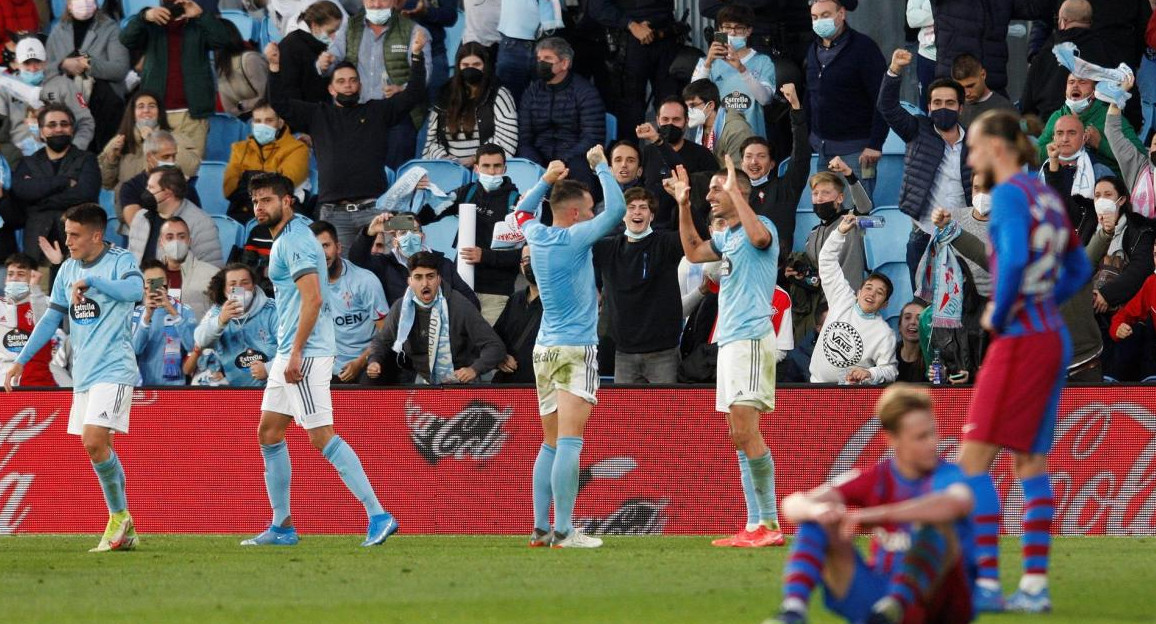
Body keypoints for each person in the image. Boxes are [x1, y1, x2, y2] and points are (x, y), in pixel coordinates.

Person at [958, 109, 1092, 613]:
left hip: (1019, 339)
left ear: (997, 147)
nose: (971, 156)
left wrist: (1004, 305)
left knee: (971, 465)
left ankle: (987, 585)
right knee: (1029, 462)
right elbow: (1079, 265)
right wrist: (1043, 299)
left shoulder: (1013, 193)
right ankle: (1033, 586)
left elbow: (1011, 259)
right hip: (1051, 336)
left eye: (974, 147)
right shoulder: (1046, 195)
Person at [241, 172, 398, 548]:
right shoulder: (290, 236)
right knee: (269, 433)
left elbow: (313, 299)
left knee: (321, 436)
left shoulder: (294, 242)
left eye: (267, 200)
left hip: (305, 353)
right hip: (289, 350)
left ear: (287, 201)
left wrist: (295, 352)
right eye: (256, 201)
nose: (260, 207)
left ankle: (378, 514)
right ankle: (282, 526)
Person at [765, 384, 975, 624]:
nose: (932, 443)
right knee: (816, 521)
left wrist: (871, 516)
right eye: (921, 437)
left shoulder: (948, 474)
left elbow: (955, 504)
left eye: (933, 433)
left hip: (936, 605)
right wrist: (817, 510)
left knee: (936, 525)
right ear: (891, 439)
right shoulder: (875, 477)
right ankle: (793, 611)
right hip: (877, 598)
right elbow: (792, 504)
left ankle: (896, 605)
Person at [4, 203, 144, 552]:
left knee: (95, 440)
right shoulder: (66, 270)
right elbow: (51, 319)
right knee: (98, 447)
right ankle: (123, 521)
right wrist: (21, 360)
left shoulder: (121, 261)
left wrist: (94, 280)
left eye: (74, 235)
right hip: (83, 373)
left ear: (96, 235)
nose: (67, 241)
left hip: (114, 367)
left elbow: (134, 293)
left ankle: (119, 518)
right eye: (66, 234)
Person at [513, 145, 626, 548]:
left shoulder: (538, 234)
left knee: (550, 441)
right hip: (575, 348)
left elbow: (520, 213)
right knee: (571, 441)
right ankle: (564, 529)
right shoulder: (575, 238)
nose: (594, 214)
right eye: (589, 209)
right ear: (576, 213)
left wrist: (544, 180)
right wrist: (601, 168)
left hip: (543, 350)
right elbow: (617, 212)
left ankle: (540, 527)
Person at [669, 155, 783, 548]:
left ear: (739, 192)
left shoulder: (761, 226)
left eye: (716, 189)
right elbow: (693, 251)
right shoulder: (729, 238)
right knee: (737, 434)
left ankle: (769, 522)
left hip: (751, 339)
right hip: (731, 341)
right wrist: (683, 206)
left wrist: (736, 190)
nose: (709, 196)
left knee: (746, 432)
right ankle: (754, 525)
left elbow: (762, 241)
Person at [265, 29, 427, 252]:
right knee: (339, 276)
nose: (348, 85)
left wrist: (417, 55)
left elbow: (414, 94)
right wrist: (274, 68)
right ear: (331, 89)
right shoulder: (317, 114)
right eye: (341, 81)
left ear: (360, 86)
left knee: (386, 266)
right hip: (333, 214)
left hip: (375, 210)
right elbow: (280, 104)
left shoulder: (377, 111)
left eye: (353, 80)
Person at [882, 49, 973, 286]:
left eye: (950, 103)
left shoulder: (975, 141)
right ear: (930, 107)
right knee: (922, 304)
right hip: (923, 235)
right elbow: (887, 107)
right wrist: (895, 70)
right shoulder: (917, 129)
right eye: (937, 103)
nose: (944, 107)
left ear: (961, 108)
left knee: (964, 304)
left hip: (964, 236)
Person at [417, 143, 522, 323]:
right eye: (486, 166)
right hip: (462, 287)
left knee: (488, 344)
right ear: (476, 168)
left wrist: (485, 256)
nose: (492, 172)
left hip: (496, 292)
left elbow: (523, 255)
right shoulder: (466, 193)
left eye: (497, 166)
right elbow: (424, 217)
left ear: (505, 168)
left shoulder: (517, 203)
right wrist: (418, 194)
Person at [367, 250, 505, 385]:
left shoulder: (460, 305)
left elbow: (495, 346)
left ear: (439, 279)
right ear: (409, 281)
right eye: (418, 277)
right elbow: (381, 341)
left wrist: (475, 369)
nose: (425, 284)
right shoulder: (401, 307)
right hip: (424, 378)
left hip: (462, 378)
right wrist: (374, 360)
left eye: (430, 276)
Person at [119, 0, 234, 160]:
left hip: (192, 114)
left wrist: (201, 15)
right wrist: (144, 16)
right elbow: (126, 39)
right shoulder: (152, 23)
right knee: (155, 170)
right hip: (157, 114)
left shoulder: (198, 22)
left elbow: (223, 40)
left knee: (191, 169)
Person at [325, 0, 434, 169]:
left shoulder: (414, 31)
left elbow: (423, 74)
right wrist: (324, 63)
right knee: (358, 171)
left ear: (394, 2)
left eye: (382, 0)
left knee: (396, 172)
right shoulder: (350, 28)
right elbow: (331, 60)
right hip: (356, 113)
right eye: (370, 0)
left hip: (396, 115)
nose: (376, 5)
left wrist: (402, 88)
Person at [594, 187, 684, 383]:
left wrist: (683, 203)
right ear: (622, 215)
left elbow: (697, 236)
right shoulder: (607, 248)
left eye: (643, 207)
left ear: (651, 215)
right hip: (623, 354)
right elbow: (573, 253)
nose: (637, 212)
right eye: (631, 207)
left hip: (663, 354)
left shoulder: (666, 243)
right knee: (626, 414)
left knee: (666, 413)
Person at [805, 0, 887, 198]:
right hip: (822, 150)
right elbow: (811, 95)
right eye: (815, 17)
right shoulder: (813, 49)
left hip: (856, 152)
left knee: (856, 216)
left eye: (825, 15)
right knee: (827, 215)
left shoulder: (864, 48)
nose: (819, 22)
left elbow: (883, 99)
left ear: (841, 14)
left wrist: (875, 143)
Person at [810, 214, 898, 385]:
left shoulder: (884, 333)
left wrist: (870, 373)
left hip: (852, 396)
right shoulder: (842, 298)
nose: (871, 294)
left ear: (885, 304)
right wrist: (840, 232)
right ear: (858, 292)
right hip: (816, 387)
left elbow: (890, 370)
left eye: (879, 293)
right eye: (868, 288)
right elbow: (826, 261)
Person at [11, 104, 100, 266]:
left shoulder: (87, 159)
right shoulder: (28, 162)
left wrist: (40, 200)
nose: (58, 129)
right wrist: (64, 182)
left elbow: (85, 193)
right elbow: (21, 190)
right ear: (42, 132)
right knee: (39, 290)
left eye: (64, 124)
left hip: (79, 247)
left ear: (72, 129)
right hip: (37, 248)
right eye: (52, 125)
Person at [517, 37, 606, 190]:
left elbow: (592, 137)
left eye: (547, 58)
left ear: (564, 63)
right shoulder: (532, 92)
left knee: (581, 168)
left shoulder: (585, 92)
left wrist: (562, 162)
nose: (541, 63)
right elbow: (524, 137)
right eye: (539, 59)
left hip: (574, 158)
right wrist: (535, 163)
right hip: (539, 158)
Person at [98, 92, 201, 223]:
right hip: (129, 221)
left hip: (171, 221)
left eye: (152, 106)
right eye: (140, 106)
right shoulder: (120, 142)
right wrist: (111, 158)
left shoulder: (176, 138)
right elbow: (106, 183)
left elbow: (191, 167)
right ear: (132, 113)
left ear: (159, 112)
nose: (146, 110)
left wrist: (157, 141)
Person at [44, 0, 131, 153]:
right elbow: (46, 70)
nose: (83, 3)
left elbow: (120, 69)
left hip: (104, 102)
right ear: (69, 5)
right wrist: (63, 64)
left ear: (96, 3)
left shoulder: (110, 29)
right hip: (68, 100)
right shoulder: (58, 31)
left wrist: (88, 64)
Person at [586, 0, 681, 138]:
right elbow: (597, 7)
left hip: (665, 36)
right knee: (629, 111)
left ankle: (671, 156)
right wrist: (631, 24)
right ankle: (630, 156)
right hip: (627, 42)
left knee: (670, 103)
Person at [311, 220, 388, 384]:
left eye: (326, 246)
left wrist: (360, 362)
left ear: (338, 247)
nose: (321, 254)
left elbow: (386, 333)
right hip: (330, 366)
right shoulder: (308, 286)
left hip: (368, 361)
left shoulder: (365, 281)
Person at [741, 83, 809, 258]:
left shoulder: (785, 188)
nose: (754, 161)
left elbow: (801, 155)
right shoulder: (734, 193)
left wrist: (796, 108)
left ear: (772, 164)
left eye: (761, 156)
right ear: (741, 163)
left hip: (776, 268)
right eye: (748, 157)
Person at [350, 216, 479, 307]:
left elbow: (471, 302)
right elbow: (357, 260)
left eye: (414, 230)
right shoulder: (385, 264)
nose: (409, 236)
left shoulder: (443, 264)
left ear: (422, 237)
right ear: (395, 241)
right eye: (403, 232)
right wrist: (370, 232)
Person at [1021, 0, 1115, 124]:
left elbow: (1026, 107)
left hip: (1049, 129)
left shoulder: (1044, 55)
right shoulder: (1105, 53)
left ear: (1063, 22)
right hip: (1094, 130)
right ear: (1090, 22)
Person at [422, 43, 518, 164]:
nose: (470, 69)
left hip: (486, 169)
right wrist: (442, 158)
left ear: (485, 66)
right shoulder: (445, 95)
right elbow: (431, 140)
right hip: (450, 169)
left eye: (476, 64)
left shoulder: (499, 94)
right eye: (465, 65)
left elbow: (507, 139)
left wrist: (475, 159)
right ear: (458, 67)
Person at [690, 5, 775, 138]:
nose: (732, 33)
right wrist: (708, 64)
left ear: (748, 31)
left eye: (738, 28)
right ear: (720, 30)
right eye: (727, 27)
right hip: (715, 139)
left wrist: (742, 69)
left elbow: (765, 99)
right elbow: (693, 98)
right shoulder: (705, 62)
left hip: (751, 140)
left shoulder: (763, 61)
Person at [1037, 74, 1144, 178]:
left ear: (1094, 92)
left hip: (1107, 186)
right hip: (1063, 180)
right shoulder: (1057, 117)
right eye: (1071, 82)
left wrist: (1100, 144)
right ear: (1065, 91)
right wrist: (1060, 143)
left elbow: (1140, 157)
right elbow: (1035, 154)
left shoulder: (1110, 116)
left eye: (1082, 82)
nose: (1075, 85)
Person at [636, 97, 718, 230]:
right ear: (657, 120)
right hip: (651, 228)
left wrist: (658, 141)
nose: (670, 124)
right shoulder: (647, 153)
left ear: (686, 121)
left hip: (689, 228)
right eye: (665, 119)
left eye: (676, 120)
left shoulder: (703, 155)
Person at [223, 101, 310, 223]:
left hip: (282, 211)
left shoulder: (298, 149)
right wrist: (267, 177)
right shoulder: (240, 149)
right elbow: (229, 189)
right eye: (258, 121)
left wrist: (247, 177)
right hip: (245, 210)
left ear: (280, 123)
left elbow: (283, 186)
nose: (262, 125)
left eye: (269, 120)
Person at [193, 263, 278, 387]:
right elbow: (200, 340)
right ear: (224, 290)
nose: (240, 289)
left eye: (245, 283)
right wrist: (221, 321)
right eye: (233, 284)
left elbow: (291, 347)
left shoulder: (271, 309)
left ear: (254, 286)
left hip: (272, 389)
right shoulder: (217, 311)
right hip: (236, 393)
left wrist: (269, 368)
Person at [128, 168, 224, 266]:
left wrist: (154, 282)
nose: (146, 192)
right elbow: (130, 262)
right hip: (141, 280)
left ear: (168, 193)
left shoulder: (201, 224)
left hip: (176, 281)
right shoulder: (141, 217)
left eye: (151, 187)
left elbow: (211, 273)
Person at [802, 163, 873, 290]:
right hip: (822, 302)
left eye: (825, 193)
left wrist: (849, 173)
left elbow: (865, 207)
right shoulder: (813, 234)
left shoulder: (851, 222)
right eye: (815, 193)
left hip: (849, 299)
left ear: (840, 198)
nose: (819, 198)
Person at [132, 258, 197, 386]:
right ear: (143, 286)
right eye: (150, 282)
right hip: (144, 388)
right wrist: (147, 317)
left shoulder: (184, 311)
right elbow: (135, 351)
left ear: (169, 283)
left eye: (160, 281)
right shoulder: (137, 313)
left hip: (175, 389)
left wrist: (172, 312)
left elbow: (192, 347)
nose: (156, 287)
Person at [275, 0, 345, 104]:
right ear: (315, 26)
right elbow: (290, 90)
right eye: (330, 31)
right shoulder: (291, 46)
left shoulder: (318, 45)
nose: (334, 37)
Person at [0, 253, 53, 385]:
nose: (14, 279)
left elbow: (44, 325)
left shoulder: (45, 302)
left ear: (33, 276)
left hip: (38, 380)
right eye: (10, 274)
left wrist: (35, 289)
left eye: (21, 274)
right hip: (4, 381)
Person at [492, 245, 541, 383]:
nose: (532, 265)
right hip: (511, 385)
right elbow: (495, 337)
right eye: (527, 260)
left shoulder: (558, 302)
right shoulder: (515, 299)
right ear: (521, 266)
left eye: (537, 259)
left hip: (542, 386)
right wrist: (501, 358)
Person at [156, 217, 219, 320]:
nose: (176, 242)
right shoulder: (151, 275)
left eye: (181, 237)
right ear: (161, 242)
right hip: (159, 335)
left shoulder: (212, 274)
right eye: (170, 237)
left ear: (189, 241)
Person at [682, 78, 754, 166]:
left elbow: (739, 173)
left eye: (693, 105)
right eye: (686, 107)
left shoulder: (737, 130)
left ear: (710, 105)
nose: (689, 111)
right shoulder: (693, 128)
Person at [214, 21, 270, 119]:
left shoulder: (250, 60)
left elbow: (268, 96)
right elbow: (229, 109)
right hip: (245, 121)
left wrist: (243, 105)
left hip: (267, 116)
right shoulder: (219, 69)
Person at [952, 54, 1016, 130]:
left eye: (971, 86)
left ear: (983, 74)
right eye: (960, 88)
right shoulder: (954, 108)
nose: (966, 93)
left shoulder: (1005, 110)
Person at [895, 300, 928, 382]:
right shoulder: (888, 354)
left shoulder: (933, 358)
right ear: (899, 326)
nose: (913, 322)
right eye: (907, 317)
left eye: (919, 318)